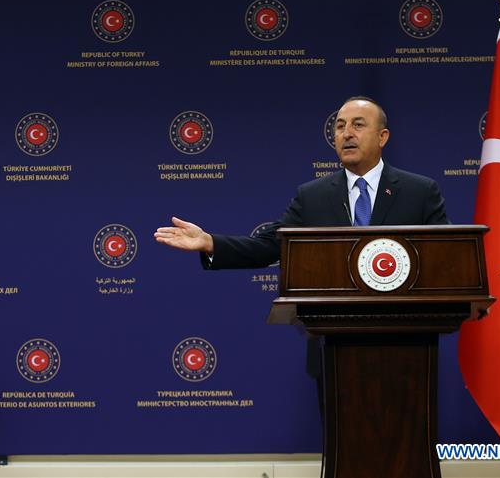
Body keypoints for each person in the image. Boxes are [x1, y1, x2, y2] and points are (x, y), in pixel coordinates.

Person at [154, 96, 449, 392]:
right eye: (340, 126)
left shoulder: (418, 192)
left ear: (382, 136)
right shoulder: (314, 196)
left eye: (358, 125)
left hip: (406, 344)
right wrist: (210, 243)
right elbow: (271, 246)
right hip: (332, 347)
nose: (346, 134)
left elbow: (445, 256)